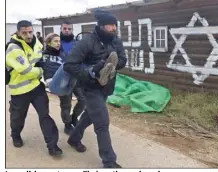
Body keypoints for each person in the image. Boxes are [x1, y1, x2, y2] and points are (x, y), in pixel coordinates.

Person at [63, 10, 127, 168]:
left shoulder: (116, 41)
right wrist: (91, 73)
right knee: (102, 122)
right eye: (110, 25)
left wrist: (112, 65)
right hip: (90, 86)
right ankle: (109, 160)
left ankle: (74, 138)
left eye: (115, 26)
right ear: (100, 26)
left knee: (89, 117)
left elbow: (123, 60)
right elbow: (70, 65)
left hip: (107, 85)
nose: (113, 28)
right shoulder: (87, 41)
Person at [5, 20, 62, 157]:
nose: (28, 35)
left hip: (37, 87)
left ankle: (52, 146)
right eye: (24, 33)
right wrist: (41, 72)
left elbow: (40, 60)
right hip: (19, 91)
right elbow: (25, 69)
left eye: (30, 31)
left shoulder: (37, 42)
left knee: (45, 116)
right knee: (18, 118)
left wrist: (47, 73)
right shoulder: (13, 48)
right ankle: (16, 135)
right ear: (18, 32)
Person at [56, 20, 86, 134]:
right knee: (66, 104)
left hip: (77, 77)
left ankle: (74, 118)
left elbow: (83, 58)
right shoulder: (56, 43)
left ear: (72, 30)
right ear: (61, 29)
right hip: (63, 78)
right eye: (65, 29)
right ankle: (67, 124)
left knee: (83, 100)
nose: (67, 31)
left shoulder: (77, 43)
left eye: (69, 29)